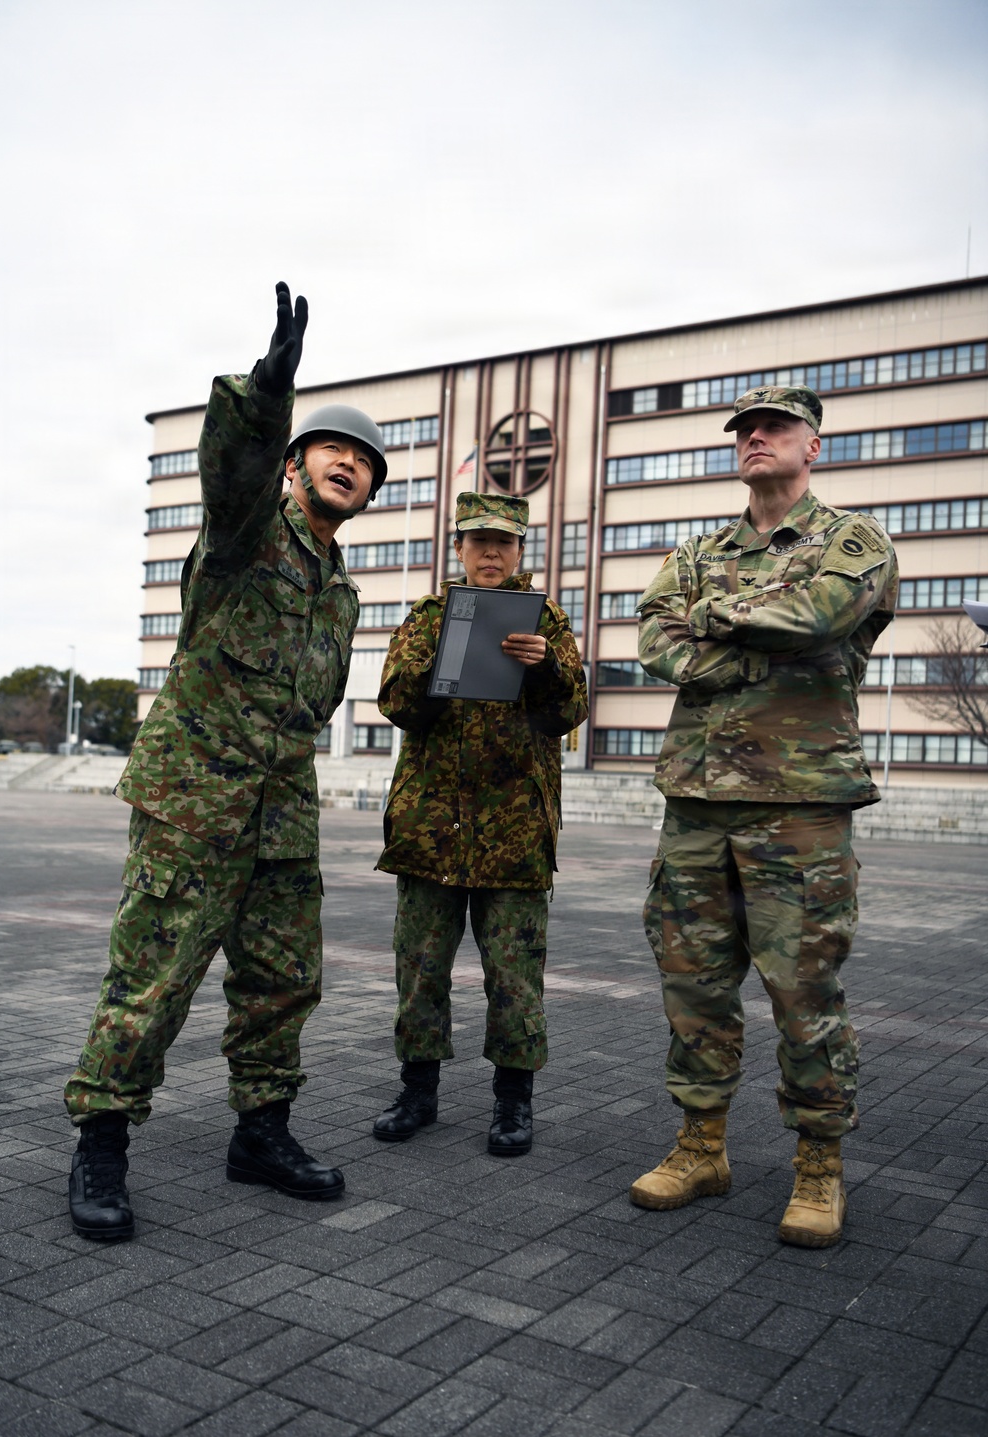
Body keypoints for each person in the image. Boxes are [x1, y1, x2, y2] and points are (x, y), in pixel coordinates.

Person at [64, 283, 388, 1240]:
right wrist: (265, 394)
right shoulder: (246, 538)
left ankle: (262, 1129)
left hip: (282, 810)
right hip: (196, 799)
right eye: (333, 449)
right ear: (293, 466)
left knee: (284, 978)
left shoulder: (343, 594)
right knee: (155, 975)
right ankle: (103, 1141)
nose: (350, 465)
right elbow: (233, 476)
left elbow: (314, 706)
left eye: (366, 463)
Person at [629, 385, 898, 1247]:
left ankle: (819, 1163)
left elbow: (821, 613)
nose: (755, 438)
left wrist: (716, 619)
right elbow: (653, 639)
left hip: (800, 804)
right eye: (744, 429)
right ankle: (701, 1144)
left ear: (811, 445)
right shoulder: (698, 546)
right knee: (694, 986)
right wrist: (747, 646)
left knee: (803, 989)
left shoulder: (851, 541)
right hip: (698, 802)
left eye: (774, 427)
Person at [371, 491, 589, 1155]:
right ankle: (418, 1090)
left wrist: (544, 667)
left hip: (516, 832)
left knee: (516, 973)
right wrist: (442, 662)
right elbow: (393, 701)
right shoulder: (428, 615)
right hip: (431, 829)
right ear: (458, 547)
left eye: (503, 542)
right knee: (420, 969)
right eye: (478, 540)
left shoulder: (544, 618)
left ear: (520, 550)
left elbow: (573, 707)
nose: (491, 552)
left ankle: (513, 1103)